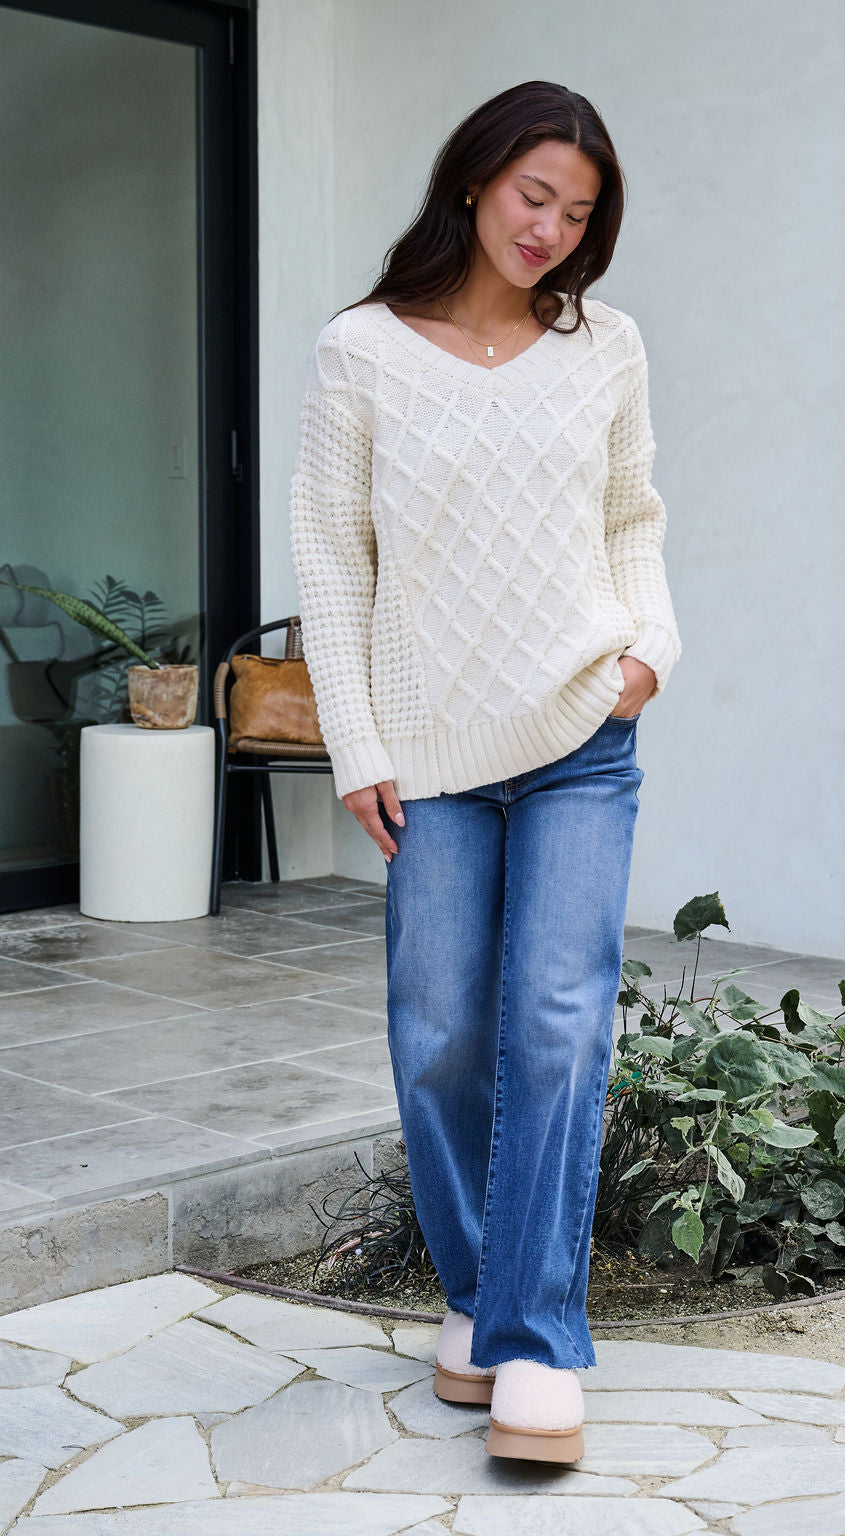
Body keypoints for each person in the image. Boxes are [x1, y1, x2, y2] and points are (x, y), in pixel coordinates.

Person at [288, 79, 681, 1464]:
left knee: (558, 1021)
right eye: (536, 197)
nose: (553, 232)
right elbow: (336, 566)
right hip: (433, 753)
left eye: (579, 214)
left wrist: (650, 652)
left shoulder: (607, 346)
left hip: (586, 733)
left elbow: (634, 521)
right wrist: (360, 742)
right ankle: (476, 1296)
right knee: (443, 1026)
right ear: (474, 181)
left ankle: (533, 1341)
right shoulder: (364, 352)